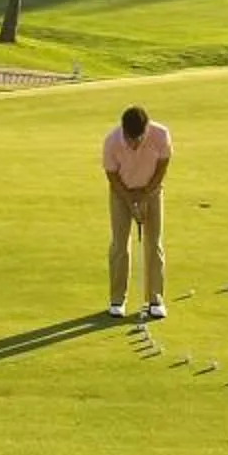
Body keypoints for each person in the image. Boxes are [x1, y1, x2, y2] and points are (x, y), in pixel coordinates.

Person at [101, 105, 174, 320]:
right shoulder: (112, 141)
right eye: (129, 139)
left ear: (147, 130)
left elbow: (163, 166)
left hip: (151, 190)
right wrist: (131, 203)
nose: (133, 144)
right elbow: (112, 176)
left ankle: (155, 299)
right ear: (123, 130)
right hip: (121, 192)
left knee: (154, 243)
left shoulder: (161, 135)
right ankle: (117, 300)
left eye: (138, 139)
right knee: (119, 244)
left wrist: (145, 196)